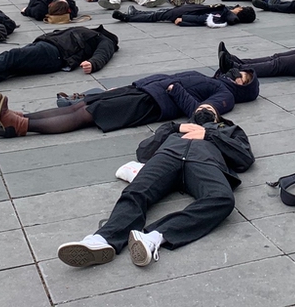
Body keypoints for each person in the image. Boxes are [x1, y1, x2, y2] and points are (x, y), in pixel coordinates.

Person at [57, 106, 254, 268]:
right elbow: (144, 152)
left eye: (209, 108)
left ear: (217, 116)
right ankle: (102, 240)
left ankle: (154, 237)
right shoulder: (176, 129)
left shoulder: (228, 130)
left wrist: (209, 133)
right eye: (200, 107)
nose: (204, 108)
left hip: (205, 162)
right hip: (166, 157)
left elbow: (244, 158)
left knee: (222, 199)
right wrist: (175, 128)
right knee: (136, 192)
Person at [0, 67, 259, 137]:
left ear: (243, 90)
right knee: (80, 106)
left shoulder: (226, 96)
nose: (235, 76)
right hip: (144, 91)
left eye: (241, 78)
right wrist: (137, 83)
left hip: (152, 105)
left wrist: (174, 89)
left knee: (86, 114)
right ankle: (22, 118)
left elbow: (198, 115)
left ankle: (22, 126)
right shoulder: (218, 82)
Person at [0, 24, 119, 94]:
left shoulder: (104, 39)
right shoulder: (92, 33)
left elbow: (104, 53)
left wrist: (93, 63)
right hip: (48, 48)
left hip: (55, 53)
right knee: (11, 67)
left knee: (10, 57)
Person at [112, 2, 257, 27]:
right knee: (161, 13)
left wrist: (183, 20)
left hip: (187, 12)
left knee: (157, 16)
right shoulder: (228, 12)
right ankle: (136, 13)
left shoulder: (225, 16)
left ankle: (128, 17)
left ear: (241, 11)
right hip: (190, 9)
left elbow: (203, 20)